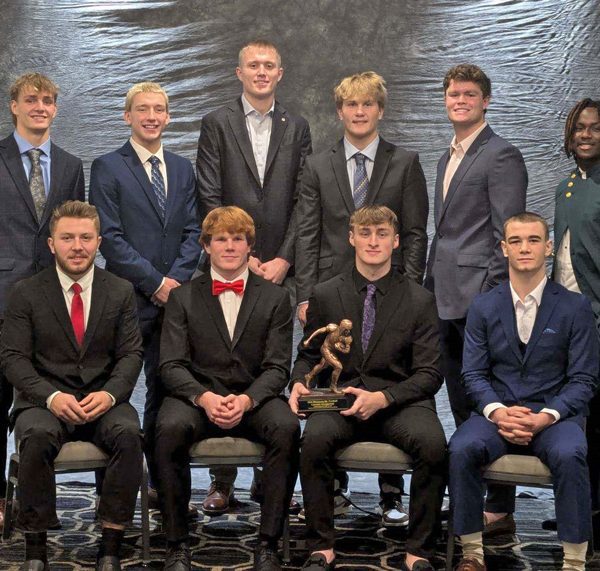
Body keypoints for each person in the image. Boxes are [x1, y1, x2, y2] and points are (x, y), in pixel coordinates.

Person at [294, 71, 429, 524]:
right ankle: (332, 489)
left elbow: (412, 233)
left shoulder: (405, 162)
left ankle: (392, 493)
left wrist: (405, 291)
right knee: (336, 387)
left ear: (380, 110)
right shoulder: (317, 164)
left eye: (367, 105)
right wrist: (305, 294)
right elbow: (308, 233)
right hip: (334, 293)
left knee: (389, 375)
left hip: (390, 290)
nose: (359, 112)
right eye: (351, 105)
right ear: (340, 112)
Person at [290, 206, 447, 571]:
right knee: (313, 440)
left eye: (381, 234)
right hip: (340, 401)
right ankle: (321, 545)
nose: (373, 241)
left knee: (434, 445)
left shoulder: (420, 299)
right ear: (352, 238)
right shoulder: (326, 293)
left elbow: (430, 374)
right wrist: (298, 383)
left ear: (395, 241)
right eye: (365, 233)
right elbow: (307, 355)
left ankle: (419, 550)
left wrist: (383, 398)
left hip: (399, 403)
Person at [195, 38, 311, 515]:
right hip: (231, 261)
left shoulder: (297, 125)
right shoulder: (216, 123)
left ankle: (271, 478)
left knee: (274, 362)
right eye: (253, 66)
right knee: (226, 358)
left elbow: (306, 200)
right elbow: (209, 195)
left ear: (280, 73)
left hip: (281, 268)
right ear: (238, 72)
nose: (261, 73)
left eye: (269, 66)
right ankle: (222, 482)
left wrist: (281, 259)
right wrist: (241, 259)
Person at [449, 212, 599, 571]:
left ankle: (575, 561)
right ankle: (471, 553)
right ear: (503, 249)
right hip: (499, 414)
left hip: (555, 415)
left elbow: (584, 379)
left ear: (548, 247)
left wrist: (546, 416)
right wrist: (498, 412)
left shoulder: (575, 307)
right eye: (515, 241)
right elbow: (472, 373)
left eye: (533, 240)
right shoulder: (483, 306)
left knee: (571, 452)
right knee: (462, 446)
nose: (524, 248)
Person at [0, 201, 144, 571]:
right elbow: (12, 358)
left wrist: (111, 393)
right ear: (51, 244)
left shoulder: (121, 290)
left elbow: (131, 355)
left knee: (129, 433)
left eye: (85, 237)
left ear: (98, 242)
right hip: (43, 401)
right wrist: (50, 396)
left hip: (104, 400)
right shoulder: (25, 292)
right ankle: (36, 550)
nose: (77, 246)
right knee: (35, 437)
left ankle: (111, 545)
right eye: (67, 238)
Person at [155, 206, 300, 571]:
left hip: (254, 397)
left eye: (238, 239)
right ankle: (176, 543)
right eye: (221, 239)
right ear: (206, 246)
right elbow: (170, 365)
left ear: (250, 246)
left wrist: (248, 399)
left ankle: (268, 543)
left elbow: (278, 367)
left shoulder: (276, 298)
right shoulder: (182, 297)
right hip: (198, 397)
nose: (230, 246)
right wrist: (203, 397)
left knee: (286, 426)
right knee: (167, 426)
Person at [424, 63, 527, 534]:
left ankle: (500, 507)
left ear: (486, 100)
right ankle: (471, 501)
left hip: (478, 301)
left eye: (469, 94)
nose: (459, 100)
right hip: (443, 297)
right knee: (461, 402)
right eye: (452, 94)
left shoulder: (500, 155)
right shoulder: (449, 156)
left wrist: (489, 299)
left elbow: (506, 235)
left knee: (489, 400)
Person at [89, 82, 202, 507]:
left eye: (159, 110)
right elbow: (110, 238)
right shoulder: (107, 167)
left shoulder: (182, 167)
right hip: (125, 300)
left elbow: (194, 232)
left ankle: (162, 487)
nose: (151, 116)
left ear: (168, 117)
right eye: (142, 109)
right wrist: (155, 283)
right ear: (127, 116)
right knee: (108, 393)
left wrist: (173, 283)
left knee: (166, 394)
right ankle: (108, 494)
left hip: (175, 305)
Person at [0, 72, 85, 530]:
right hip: (1, 298)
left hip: (55, 304)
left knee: (44, 404)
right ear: (14, 105)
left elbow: (75, 236)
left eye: (48, 100)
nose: (40, 107)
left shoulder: (71, 166)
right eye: (31, 99)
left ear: (56, 108)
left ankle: (38, 506)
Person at [553, 98, 600, 534]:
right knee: (576, 419)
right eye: (579, 128)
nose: (585, 135)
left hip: (597, 316)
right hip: (570, 319)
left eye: (594, 128)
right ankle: (580, 510)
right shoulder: (567, 185)